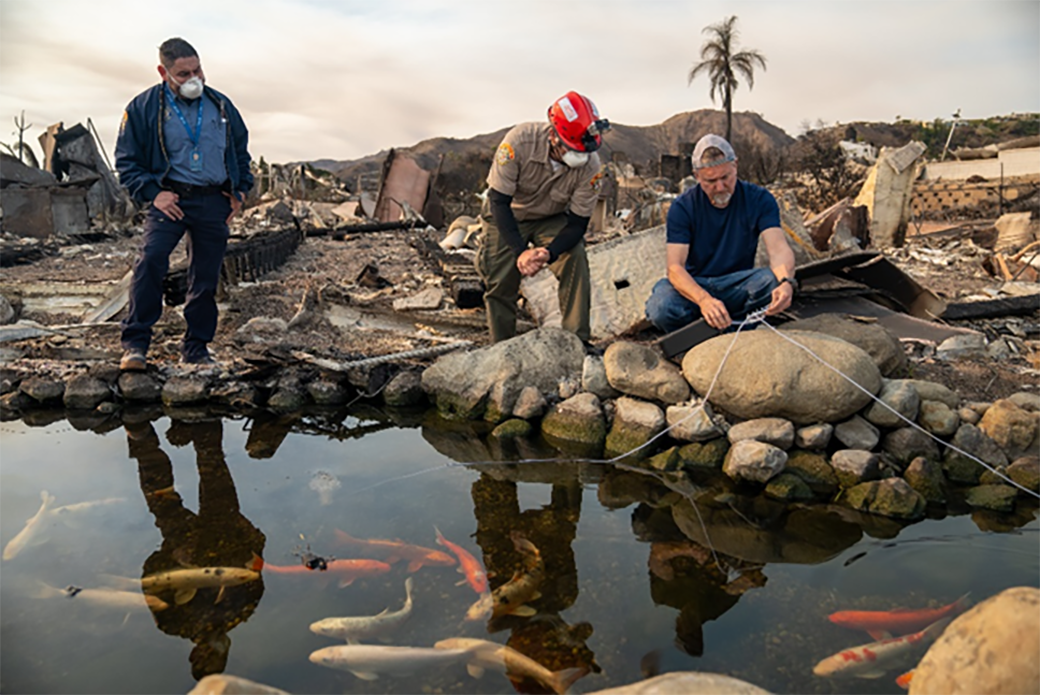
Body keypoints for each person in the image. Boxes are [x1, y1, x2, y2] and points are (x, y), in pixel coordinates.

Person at [115, 37, 253, 370]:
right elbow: (126, 161)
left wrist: (240, 192)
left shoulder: (221, 105)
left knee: (205, 276)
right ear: (164, 72)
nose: (194, 78)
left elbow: (240, 152)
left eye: (198, 69)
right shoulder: (142, 108)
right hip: (170, 200)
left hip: (213, 200)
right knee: (150, 261)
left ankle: (196, 348)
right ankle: (135, 345)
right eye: (183, 73)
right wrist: (153, 193)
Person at [476, 91, 610, 344]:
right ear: (552, 136)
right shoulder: (518, 142)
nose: (578, 157)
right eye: (571, 150)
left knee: (575, 258)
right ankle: (501, 344)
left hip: (550, 217)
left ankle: (576, 341)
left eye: (583, 151)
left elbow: (578, 223)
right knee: (499, 276)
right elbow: (499, 201)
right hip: (508, 214)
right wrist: (520, 251)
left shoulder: (591, 166)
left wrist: (551, 252)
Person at [644, 134, 795, 334]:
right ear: (697, 176)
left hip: (737, 284)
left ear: (735, 166)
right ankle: (707, 329)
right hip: (695, 285)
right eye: (710, 181)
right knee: (661, 306)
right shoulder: (682, 207)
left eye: (725, 177)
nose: (720, 187)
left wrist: (786, 283)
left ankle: (730, 326)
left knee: (770, 281)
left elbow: (778, 249)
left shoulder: (760, 199)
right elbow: (675, 268)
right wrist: (704, 300)